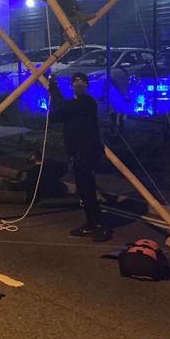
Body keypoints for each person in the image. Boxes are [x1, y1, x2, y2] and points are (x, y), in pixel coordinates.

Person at [49, 72, 112, 242]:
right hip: (78, 153)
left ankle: (99, 225)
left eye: (82, 81)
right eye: (75, 80)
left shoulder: (87, 102)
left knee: (88, 191)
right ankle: (92, 223)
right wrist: (53, 93)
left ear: (87, 85)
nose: (79, 83)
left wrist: (53, 88)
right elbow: (55, 115)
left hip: (87, 152)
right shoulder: (74, 105)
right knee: (84, 191)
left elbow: (62, 107)